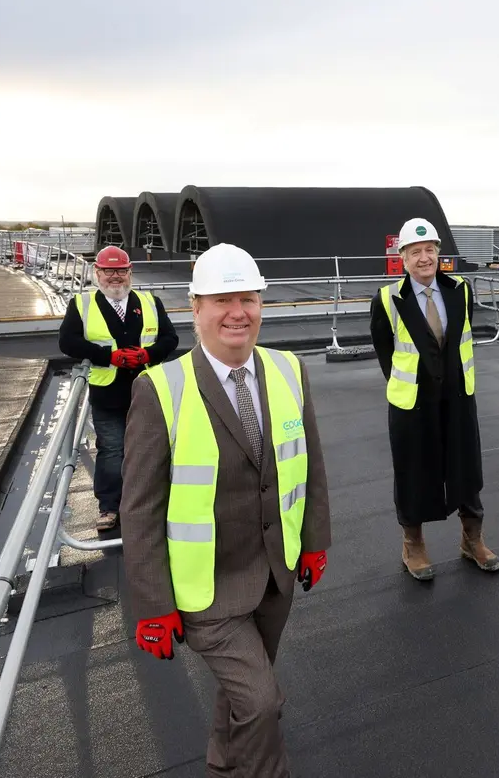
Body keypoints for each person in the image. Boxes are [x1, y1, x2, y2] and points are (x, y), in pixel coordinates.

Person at [120, 243, 332, 777]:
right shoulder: (160, 390)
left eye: (248, 299)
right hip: (207, 590)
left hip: (275, 575)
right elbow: (140, 510)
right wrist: (153, 604)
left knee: (245, 693)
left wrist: (314, 542)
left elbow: (310, 465)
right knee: (262, 701)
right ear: (195, 308)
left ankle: (222, 760)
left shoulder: (289, 370)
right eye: (222, 300)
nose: (238, 312)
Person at [369, 217, 499, 580]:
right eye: (415, 252)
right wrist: (412, 383)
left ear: (439, 253)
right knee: (412, 471)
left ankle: (472, 539)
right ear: (402, 258)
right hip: (412, 403)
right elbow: (384, 350)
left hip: (458, 397)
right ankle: (413, 545)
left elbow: (459, 338)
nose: (424, 258)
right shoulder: (388, 299)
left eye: (429, 250)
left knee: (466, 467)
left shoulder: (460, 290)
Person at [58, 244, 178, 531]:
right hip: (108, 394)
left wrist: (148, 355)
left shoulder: (150, 302)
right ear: (97, 272)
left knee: (151, 448)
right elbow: (68, 341)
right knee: (112, 450)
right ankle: (110, 507)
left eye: (121, 270)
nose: (115, 276)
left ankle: (152, 502)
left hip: (147, 392)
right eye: (109, 270)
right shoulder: (82, 304)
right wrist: (107, 356)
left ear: (129, 272)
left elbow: (170, 339)